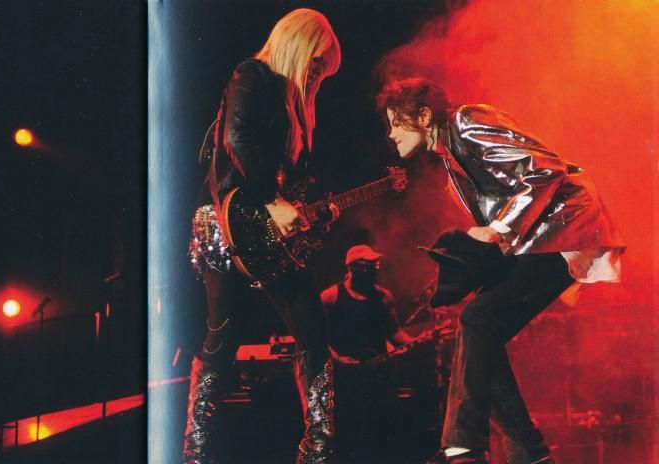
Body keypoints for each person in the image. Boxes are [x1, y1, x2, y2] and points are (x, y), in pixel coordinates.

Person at [375, 78, 624, 464]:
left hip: (564, 228)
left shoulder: (467, 121)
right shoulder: (451, 155)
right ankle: (527, 453)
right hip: (542, 234)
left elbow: (544, 169)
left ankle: (465, 444)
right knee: (478, 333)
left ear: (423, 116)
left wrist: (498, 229)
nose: (391, 135)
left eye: (396, 123)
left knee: (478, 321)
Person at [184, 8, 341, 464]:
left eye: (323, 70)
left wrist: (310, 211)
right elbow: (236, 140)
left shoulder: (296, 106)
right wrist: (272, 199)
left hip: (268, 227)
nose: (316, 74)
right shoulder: (252, 76)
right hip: (226, 220)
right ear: (298, 44)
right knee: (223, 335)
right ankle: (195, 451)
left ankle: (318, 449)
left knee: (311, 328)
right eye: (316, 62)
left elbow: (293, 175)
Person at [321, 244, 417, 462]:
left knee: (379, 433)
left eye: (376, 265)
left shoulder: (383, 297)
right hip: (345, 380)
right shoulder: (331, 297)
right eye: (369, 265)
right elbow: (317, 338)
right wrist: (337, 360)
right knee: (348, 434)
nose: (375, 269)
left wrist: (414, 342)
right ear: (352, 268)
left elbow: (395, 332)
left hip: (378, 377)